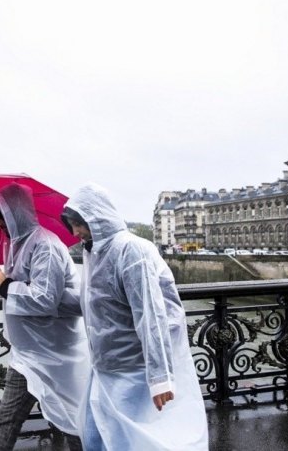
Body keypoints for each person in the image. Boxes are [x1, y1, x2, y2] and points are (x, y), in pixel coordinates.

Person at [61, 183, 209, 450]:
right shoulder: (93, 251)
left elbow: (151, 315)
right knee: (98, 438)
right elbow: (90, 303)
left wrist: (160, 377)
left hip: (133, 371)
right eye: (72, 225)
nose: (75, 232)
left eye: (78, 223)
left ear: (95, 217)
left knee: (126, 441)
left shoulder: (131, 250)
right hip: (106, 367)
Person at [0, 182, 89, 451]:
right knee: (7, 422)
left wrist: (5, 285)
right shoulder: (17, 245)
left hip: (55, 355)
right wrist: (5, 284)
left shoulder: (46, 246)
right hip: (29, 354)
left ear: (14, 215)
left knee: (71, 423)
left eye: (0, 218)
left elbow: (44, 299)